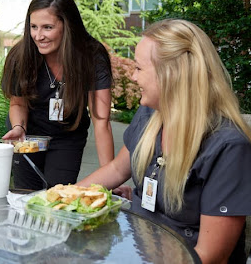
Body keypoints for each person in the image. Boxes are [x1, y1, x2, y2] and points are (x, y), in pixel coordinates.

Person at [76, 19, 251, 263]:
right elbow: (117, 168)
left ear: (172, 75)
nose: (133, 77)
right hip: (139, 249)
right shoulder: (150, 115)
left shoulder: (227, 146)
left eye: (139, 68)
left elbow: (211, 256)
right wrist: (60, 198)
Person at [1, 0, 114, 189]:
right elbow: (17, 103)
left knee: (57, 196)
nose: (38, 36)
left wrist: (111, 177)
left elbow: (101, 120)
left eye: (47, 27)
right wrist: (19, 127)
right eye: (33, 27)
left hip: (67, 136)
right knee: (25, 197)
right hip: (28, 135)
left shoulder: (91, 56)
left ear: (67, 26)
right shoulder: (21, 55)